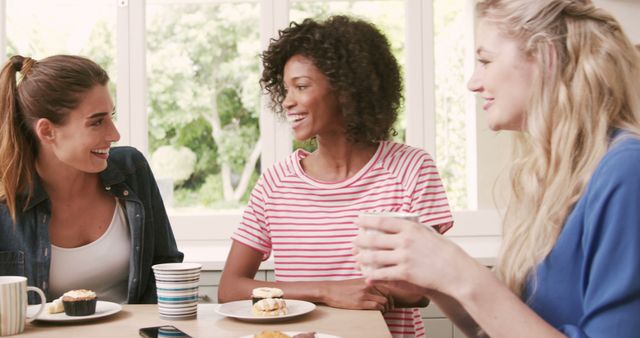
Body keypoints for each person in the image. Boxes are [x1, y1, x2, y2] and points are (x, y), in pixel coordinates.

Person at [354, 0, 640, 337]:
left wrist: (458, 272)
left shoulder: (626, 171)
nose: (473, 83)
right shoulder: (555, 177)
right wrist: (432, 277)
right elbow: (502, 328)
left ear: (546, 58)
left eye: (485, 61)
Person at [218, 15, 454, 338]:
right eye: (285, 89)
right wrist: (326, 291)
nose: (287, 101)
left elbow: (419, 291)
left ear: (346, 90)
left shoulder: (411, 169)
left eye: (301, 87)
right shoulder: (275, 183)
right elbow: (230, 288)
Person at [0, 55, 183, 304]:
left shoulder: (132, 170)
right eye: (97, 122)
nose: (115, 134)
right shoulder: (5, 199)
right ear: (47, 131)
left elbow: (165, 267)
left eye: (112, 116)